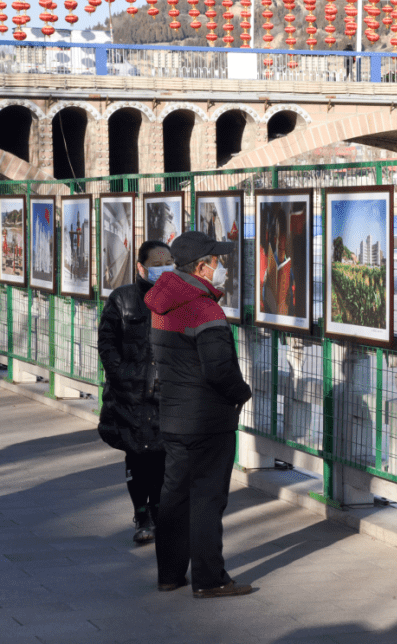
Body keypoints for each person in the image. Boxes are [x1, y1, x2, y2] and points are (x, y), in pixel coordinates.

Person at [145, 231, 254, 598]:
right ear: (202, 267)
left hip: (174, 416)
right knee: (207, 499)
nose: (221, 266)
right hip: (207, 420)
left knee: (174, 496)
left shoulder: (163, 302)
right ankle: (210, 579)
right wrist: (243, 393)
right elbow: (219, 370)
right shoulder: (204, 308)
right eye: (216, 260)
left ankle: (170, 575)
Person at [97, 240, 174, 545]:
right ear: (140, 267)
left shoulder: (175, 300)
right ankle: (142, 514)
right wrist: (126, 377)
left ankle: (157, 511)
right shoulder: (122, 300)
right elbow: (107, 345)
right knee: (137, 457)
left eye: (167, 264)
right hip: (129, 396)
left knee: (161, 458)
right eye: (156, 266)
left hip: (164, 395)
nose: (162, 270)